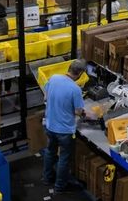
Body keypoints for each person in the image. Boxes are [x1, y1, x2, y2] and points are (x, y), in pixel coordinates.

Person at [43, 58, 86, 193]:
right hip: (65, 131)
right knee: (64, 158)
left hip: (50, 125)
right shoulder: (75, 89)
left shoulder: (53, 78)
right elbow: (78, 112)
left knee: (50, 152)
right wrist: (86, 113)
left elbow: (45, 97)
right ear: (79, 73)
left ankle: (47, 178)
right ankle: (60, 186)